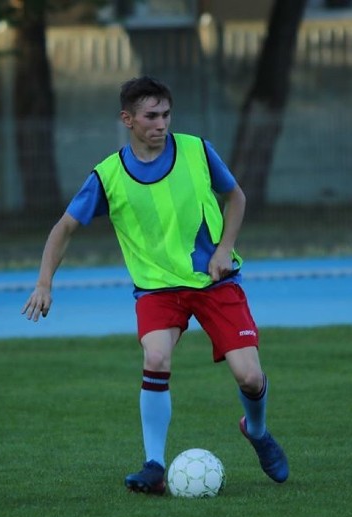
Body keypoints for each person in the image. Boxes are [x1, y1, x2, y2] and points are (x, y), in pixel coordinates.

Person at [22, 76, 288, 494]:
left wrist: (224, 249)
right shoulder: (108, 175)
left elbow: (236, 197)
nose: (160, 123)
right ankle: (154, 465)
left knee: (250, 378)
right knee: (157, 357)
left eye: (166, 114)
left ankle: (256, 430)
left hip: (215, 282)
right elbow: (64, 228)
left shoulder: (197, 150)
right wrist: (44, 283)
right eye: (151, 116)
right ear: (127, 119)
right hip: (157, 290)